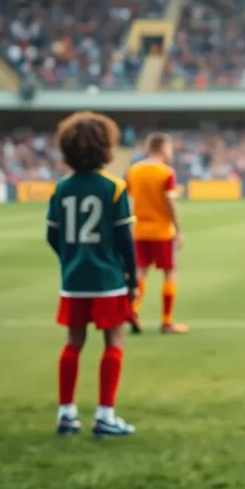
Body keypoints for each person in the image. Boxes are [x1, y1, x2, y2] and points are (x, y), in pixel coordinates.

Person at [48, 112, 139, 438]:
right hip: (108, 281)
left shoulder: (61, 189)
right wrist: (131, 279)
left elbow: (52, 236)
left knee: (73, 343)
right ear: (106, 147)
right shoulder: (114, 188)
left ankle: (66, 414)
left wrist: (71, 259)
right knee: (114, 341)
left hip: (73, 282)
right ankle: (104, 415)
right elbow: (124, 240)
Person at [125, 132, 186, 335]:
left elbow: (129, 197)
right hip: (161, 231)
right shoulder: (165, 172)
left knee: (140, 272)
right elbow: (170, 202)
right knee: (169, 273)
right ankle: (167, 321)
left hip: (139, 230)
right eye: (169, 148)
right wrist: (178, 229)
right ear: (161, 148)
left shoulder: (134, 170)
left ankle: (133, 309)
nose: (171, 152)